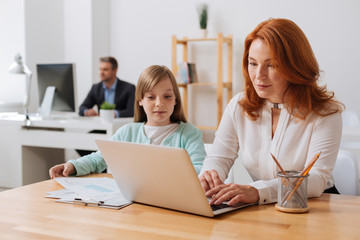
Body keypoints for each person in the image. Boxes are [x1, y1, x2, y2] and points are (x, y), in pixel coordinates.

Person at [199, 18, 344, 206]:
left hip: (315, 204)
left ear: (295, 66)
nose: (258, 75)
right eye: (253, 63)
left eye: (271, 65)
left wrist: (257, 191)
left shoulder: (326, 112)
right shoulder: (239, 105)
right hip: (264, 206)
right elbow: (218, 158)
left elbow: (315, 180)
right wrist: (210, 176)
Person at [49, 65, 206, 178]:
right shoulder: (128, 132)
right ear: (140, 101)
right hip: (134, 206)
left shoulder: (189, 134)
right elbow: (99, 159)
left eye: (167, 96)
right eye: (151, 97)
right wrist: (73, 166)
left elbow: (201, 168)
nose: (159, 103)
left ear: (176, 100)